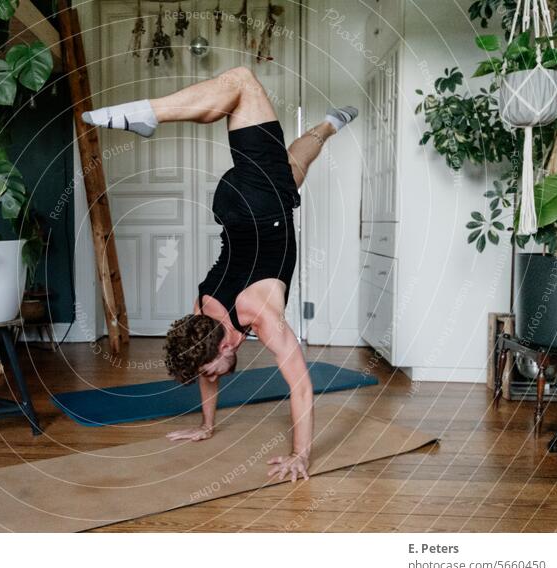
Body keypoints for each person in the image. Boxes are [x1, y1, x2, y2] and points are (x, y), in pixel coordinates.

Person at [82, 66, 357, 482]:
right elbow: (205, 366)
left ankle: (148, 112)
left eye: (208, 369)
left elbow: (301, 386)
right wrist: (206, 426)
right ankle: (329, 125)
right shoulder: (201, 317)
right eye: (205, 374)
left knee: (243, 81)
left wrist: (300, 454)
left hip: (257, 199)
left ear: (225, 342)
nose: (208, 377)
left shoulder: (262, 317)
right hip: (240, 204)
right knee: (297, 162)